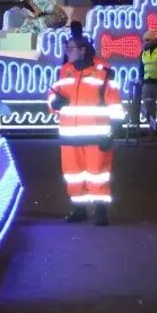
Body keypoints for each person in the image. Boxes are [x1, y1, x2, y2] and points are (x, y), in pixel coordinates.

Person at [48, 36, 123, 225]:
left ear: (83, 50)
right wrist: (54, 104)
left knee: (98, 175)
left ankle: (100, 211)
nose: (67, 51)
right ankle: (79, 210)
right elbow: (52, 98)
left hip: (96, 136)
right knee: (73, 176)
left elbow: (115, 105)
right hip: (70, 137)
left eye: (71, 48)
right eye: (67, 48)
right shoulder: (65, 71)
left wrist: (113, 132)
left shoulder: (103, 74)